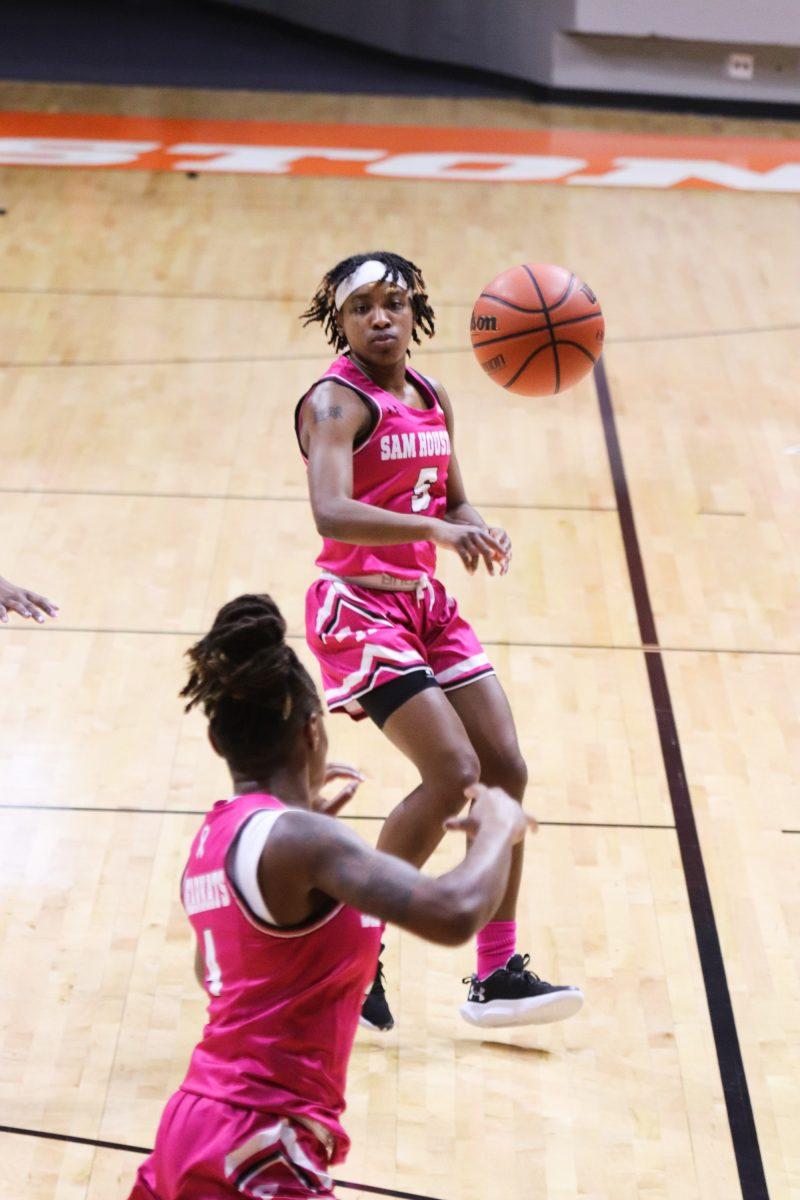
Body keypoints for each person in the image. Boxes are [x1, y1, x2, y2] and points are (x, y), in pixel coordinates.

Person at [127, 593, 533, 1200]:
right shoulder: (302, 840)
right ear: (313, 730)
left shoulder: (216, 836)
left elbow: (224, 974)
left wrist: (306, 845)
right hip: (261, 1139)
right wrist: (498, 829)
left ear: (220, 743)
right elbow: (452, 914)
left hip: (191, 1125)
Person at [296, 252, 583, 1031]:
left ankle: (496, 972)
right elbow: (330, 510)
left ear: (415, 310)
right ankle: (352, 942)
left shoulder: (430, 394)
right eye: (362, 309)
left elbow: (453, 496)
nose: (380, 318)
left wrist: (475, 525)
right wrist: (437, 529)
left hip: (425, 603)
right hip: (359, 606)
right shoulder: (332, 403)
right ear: (341, 322)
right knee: (452, 770)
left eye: (393, 303)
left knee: (505, 770)